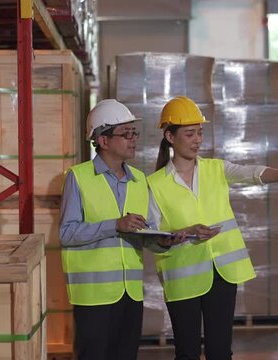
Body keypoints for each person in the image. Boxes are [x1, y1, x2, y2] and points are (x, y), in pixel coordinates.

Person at [147, 96, 278, 360]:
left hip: (222, 273)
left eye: (200, 133)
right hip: (182, 279)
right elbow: (151, 237)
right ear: (170, 137)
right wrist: (185, 232)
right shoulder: (155, 184)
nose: (197, 140)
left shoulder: (216, 169)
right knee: (187, 353)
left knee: (220, 351)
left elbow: (252, 173)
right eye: (189, 134)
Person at [59, 99, 176, 360]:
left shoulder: (138, 181)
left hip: (130, 293)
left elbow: (143, 232)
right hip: (93, 296)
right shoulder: (78, 177)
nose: (134, 139)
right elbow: (67, 233)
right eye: (127, 134)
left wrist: (163, 241)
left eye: (134, 133)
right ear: (103, 140)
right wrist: (114, 225)